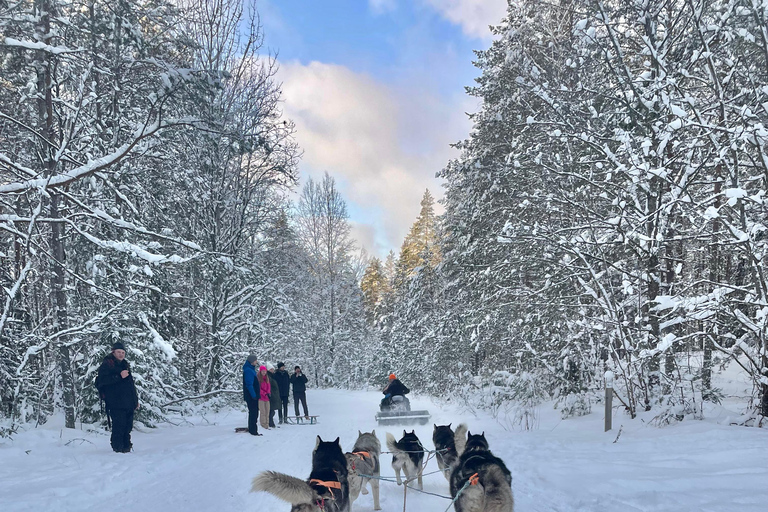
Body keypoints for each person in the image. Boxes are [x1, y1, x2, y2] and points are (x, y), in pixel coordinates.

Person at [96, 342, 139, 453]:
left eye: (123, 352)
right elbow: (101, 382)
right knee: (119, 426)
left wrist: (135, 400)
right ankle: (117, 449)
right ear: (113, 352)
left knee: (128, 427)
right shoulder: (107, 364)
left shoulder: (125, 364)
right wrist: (118, 376)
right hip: (115, 402)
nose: (121, 354)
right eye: (119, 352)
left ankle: (126, 448)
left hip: (128, 402)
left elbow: (130, 384)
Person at [242, 354, 261, 436]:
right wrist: (254, 395)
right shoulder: (248, 370)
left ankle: (253, 429)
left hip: (253, 395)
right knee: (254, 412)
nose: (256, 362)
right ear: (252, 361)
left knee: (254, 412)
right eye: (255, 360)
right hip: (251, 396)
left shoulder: (250, 369)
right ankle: (253, 430)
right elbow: (249, 384)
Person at [257, 365, 271, 430]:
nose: (264, 372)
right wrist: (264, 393)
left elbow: (269, 386)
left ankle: (267, 424)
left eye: (265, 371)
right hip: (261, 397)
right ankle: (263, 424)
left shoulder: (267, 378)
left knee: (267, 411)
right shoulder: (258, 378)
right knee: (263, 411)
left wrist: (268, 393)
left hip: (267, 397)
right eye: (262, 371)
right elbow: (258, 388)